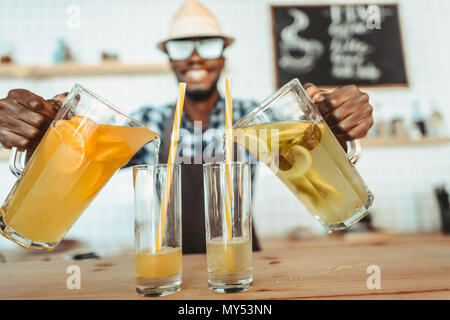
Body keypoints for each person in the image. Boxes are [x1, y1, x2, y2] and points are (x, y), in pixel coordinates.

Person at [0, 0, 373, 253]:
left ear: (223, 57)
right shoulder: (147, 124)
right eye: (181, 48)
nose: (195, 56)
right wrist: (40, 135)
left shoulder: (252, 120)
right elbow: (78, 160)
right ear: (169, 60)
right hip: (166, 265)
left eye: (207, 45)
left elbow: (307, 149)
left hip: (242, 260)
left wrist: (335, 125)